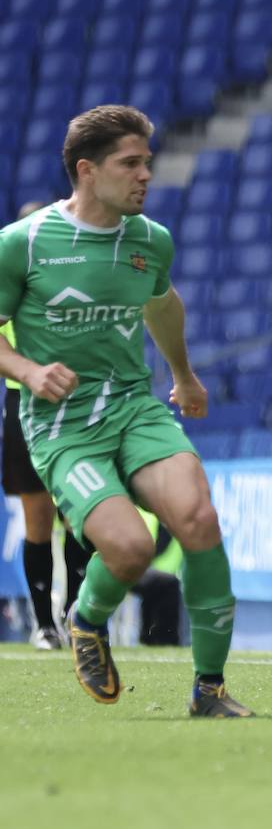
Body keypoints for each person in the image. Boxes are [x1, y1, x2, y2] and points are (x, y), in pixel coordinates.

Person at [0, 105, 250, 715]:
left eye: (148, 163)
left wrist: (184, 376)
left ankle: (209, 689)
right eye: (130, 164)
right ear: (87, 171)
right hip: (63, 429)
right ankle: (86, 620)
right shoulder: (22, 245)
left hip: (134, 408)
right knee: (131, 549)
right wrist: (29, 370)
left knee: (198, 521)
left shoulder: (150, 239)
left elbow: (162, 307)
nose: (145, 176)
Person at [4, 199, 92, 649]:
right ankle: (44, 624)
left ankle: (76, 610)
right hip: (24, 405)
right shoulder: (12, 280)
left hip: (77, 406)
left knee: (80, 516)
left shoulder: (73, 279)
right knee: (37, 517)